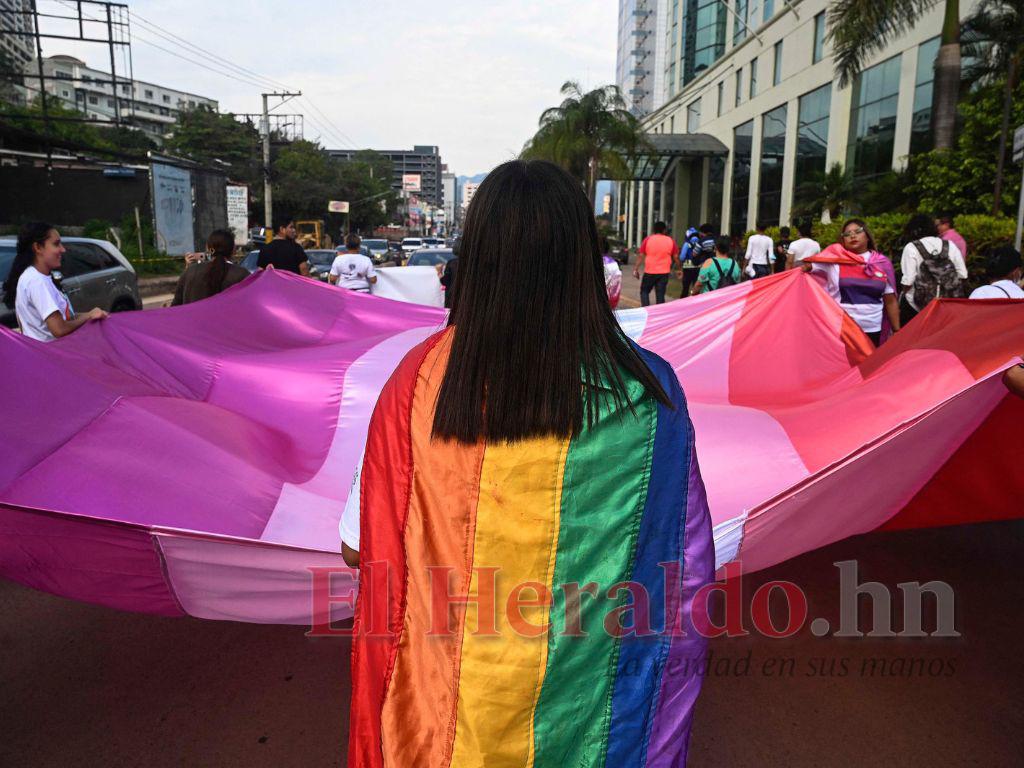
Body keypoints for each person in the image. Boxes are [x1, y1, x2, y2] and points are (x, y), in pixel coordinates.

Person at [342, 159, 713, 768]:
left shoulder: (418, 383)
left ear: (477, 255)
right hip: (596, 711)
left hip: (454, 711)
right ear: (584, 259)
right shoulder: (649, 391)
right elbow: (684, 557)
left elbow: (361, 548)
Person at [2, 222, 106, 342]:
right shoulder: (36, 281)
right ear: (38, 248)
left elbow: (64, 317)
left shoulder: (37, 277)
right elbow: (59, 329)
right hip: (48, 356)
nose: (63, 249)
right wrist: (88, 316)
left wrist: (92, 314)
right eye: (56, 244)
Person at [803, 218, 900, 346]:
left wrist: (897, 331)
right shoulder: (834, 261)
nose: (852, 236)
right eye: (847, 234)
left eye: (858, 231)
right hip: (841, 328)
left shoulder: (882, 263)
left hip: (873, 329)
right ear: (842, 240)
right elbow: (806, 268)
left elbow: (890, 300)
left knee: (869, 365)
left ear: (867, 236)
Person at [899, 213, 967, 323]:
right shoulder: (949, 245)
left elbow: (908, 280)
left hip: (917, 306)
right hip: (946, 305)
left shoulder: (911, 247)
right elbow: (963, 274)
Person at [172, 229, 249, 306]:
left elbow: (175, 307)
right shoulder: (242, 275)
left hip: (193, 318)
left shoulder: (190, 272)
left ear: (208, 249)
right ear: (233, 250)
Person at [633, 220, 680, 306]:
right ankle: (659, 315)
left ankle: (646, 309)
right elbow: (676, 257)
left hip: (650, 272)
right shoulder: (670, 241)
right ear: (664, 230)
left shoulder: (648, 240)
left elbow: (641, 256)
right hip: (664, 273)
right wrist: (680, 269)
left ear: (654, 230)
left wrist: (635, 269)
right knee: (660, 295)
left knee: (644, 291)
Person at [678, 225, 702, 296]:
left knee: (685, 287)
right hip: (697, 267)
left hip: (687, 267)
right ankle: (694, 300)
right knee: (695, 286)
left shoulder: (686, 244)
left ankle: (684, 301)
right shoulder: (700, 243)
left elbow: (682, 257)